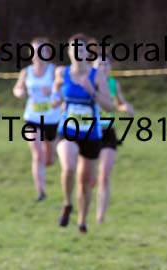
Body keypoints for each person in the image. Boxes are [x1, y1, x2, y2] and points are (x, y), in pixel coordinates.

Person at [51, 34, 113, 233]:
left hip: (91, 133)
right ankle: (67, 203)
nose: (77, 52)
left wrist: (92, 91)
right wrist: (55, 98)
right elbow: (56, 90)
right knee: (68, 167)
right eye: (73, 49)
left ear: (87, 52)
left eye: (81, 49)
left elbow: (109, 106)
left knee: (85, 182)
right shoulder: (62, 72)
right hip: (67, 129)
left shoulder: (97, 76)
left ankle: (82, 220)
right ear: (69, 52)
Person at [12, 37, 61, 201]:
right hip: (32, 117)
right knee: (37, 155)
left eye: (42, 50)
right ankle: (41, 192)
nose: (38, 54)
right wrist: (19, 92)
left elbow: (64, 92)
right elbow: (18, 88)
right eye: (34, 50)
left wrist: (53, 93)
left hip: (52, 118)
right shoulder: (26, 72)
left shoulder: (55, 71)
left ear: (48, 53)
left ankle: (51, 156)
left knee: (49, 158)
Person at [94, 56, 134, 224]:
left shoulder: (113, 84)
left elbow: (118, 103)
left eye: (106, 64)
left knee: (104, 175)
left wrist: (126, 107)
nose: (103, 67)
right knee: (88, 178)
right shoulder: (88, 81)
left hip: (108, 130)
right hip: (88, 130)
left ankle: (100, 217)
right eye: (99, 64)